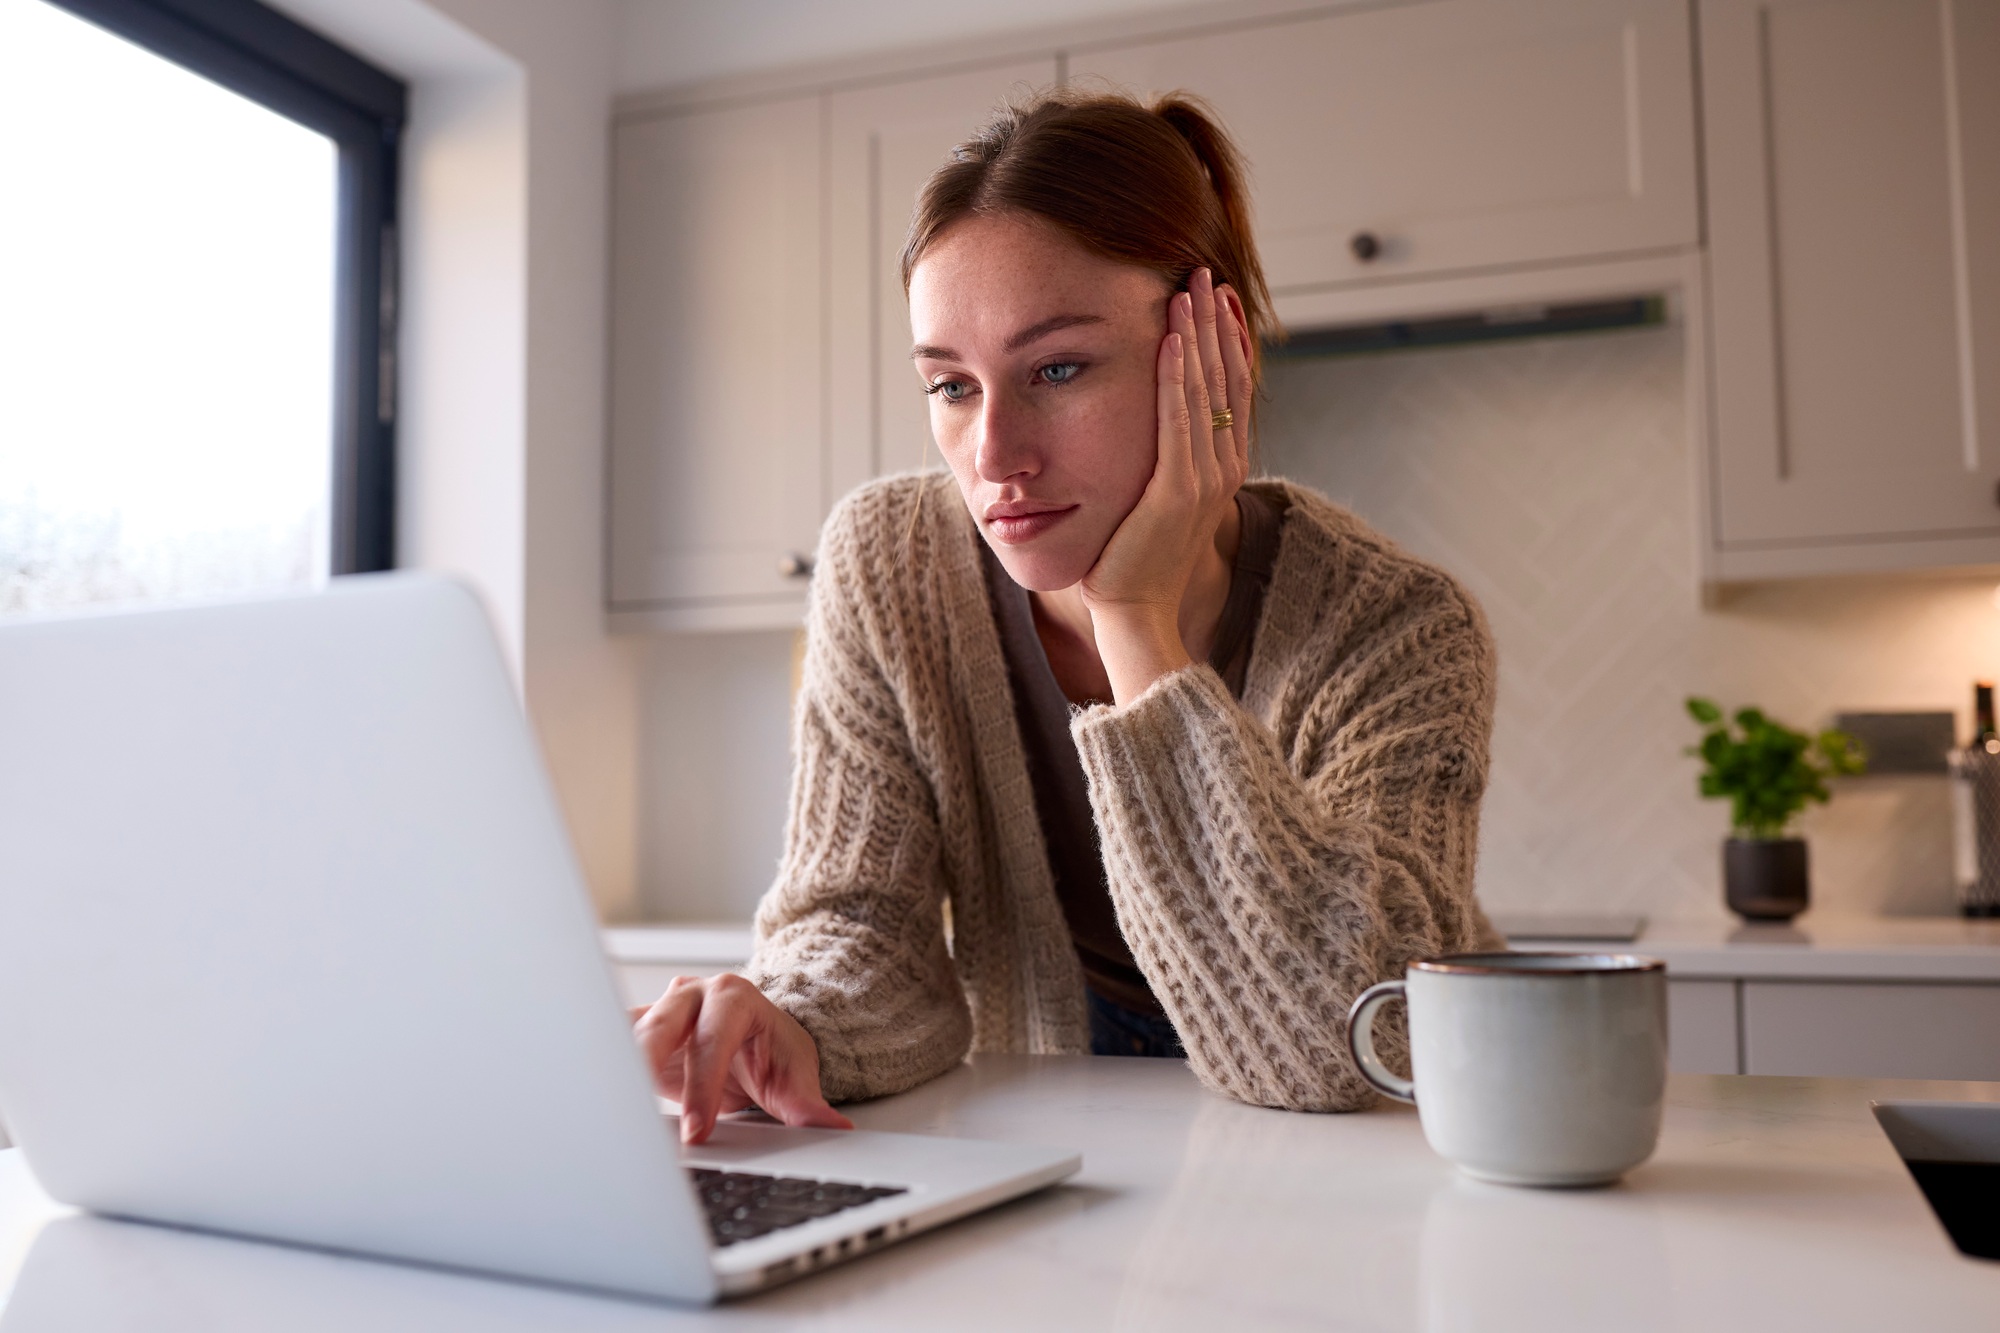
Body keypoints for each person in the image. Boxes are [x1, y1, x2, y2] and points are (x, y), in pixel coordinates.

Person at [633, 89, 1501, 1145]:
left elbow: (1348, 1040)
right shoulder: (888, 565)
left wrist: (1135, 617)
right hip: (1065, 1167)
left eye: (1055, 368)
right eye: (951, 385)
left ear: (1209, 351)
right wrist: (791, 1017)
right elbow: (863, 929)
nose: (992, 456)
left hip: (1346, 1182)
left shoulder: (1401, 628)